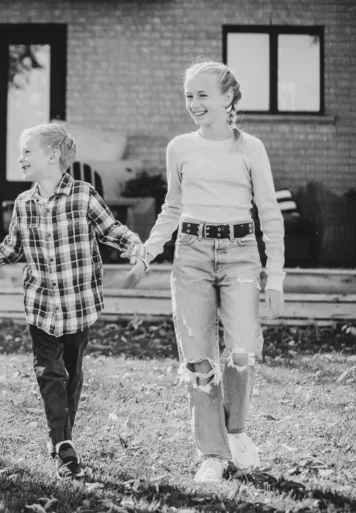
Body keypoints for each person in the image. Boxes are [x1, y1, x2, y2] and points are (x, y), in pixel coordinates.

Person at [128, 59, 285, 482]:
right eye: (189, 96)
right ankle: (212, 454)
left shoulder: (251, 148)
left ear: (229, 98)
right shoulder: (179, 147)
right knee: (198, 358)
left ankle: (235, 431)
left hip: (241, 254)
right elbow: (172, 207)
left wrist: (277, 275)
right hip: (191, 254)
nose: (194, 104)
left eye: (203, 95)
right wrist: (150, 248)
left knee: (241, 351)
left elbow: (269, 212)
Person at [0, 122, 146, 479]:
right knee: (49, 371)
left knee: (72, 372)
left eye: (26, 152)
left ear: (52, 156)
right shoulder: (24, 203)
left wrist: (134, 247)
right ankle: (62, 440)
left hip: (78, 305)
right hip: (40, 304)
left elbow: (110, 229)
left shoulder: (83, 195)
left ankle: (61, 434)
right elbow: (13, 246)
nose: (20, 158)